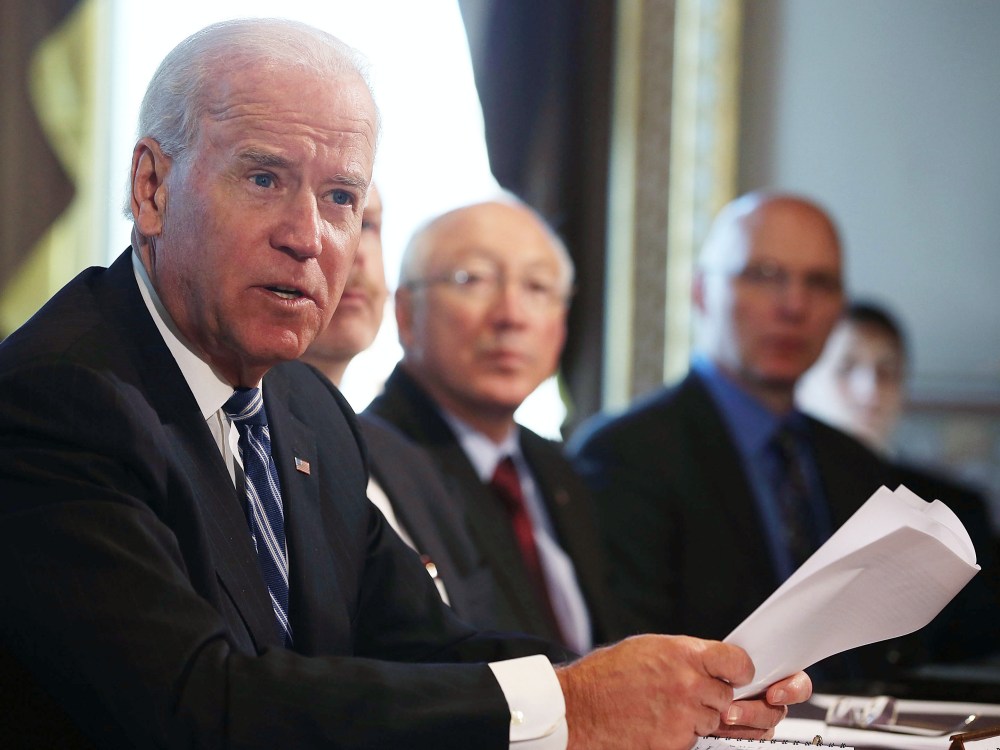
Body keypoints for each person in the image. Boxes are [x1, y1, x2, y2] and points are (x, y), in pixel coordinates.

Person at [0, 19, 810, 750]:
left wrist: (669, 685)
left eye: (342, 197)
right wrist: (575, 704)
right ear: (151, 188)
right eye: (264, 179)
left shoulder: (304, 407)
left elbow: (426, 645)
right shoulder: (59, 399)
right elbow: (196, 706)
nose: (308, 237)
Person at [569, 192, 899, 687]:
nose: (794, 305)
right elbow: (630, 661)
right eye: (765, 275)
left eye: (819, 283)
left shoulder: (854, 464)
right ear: (701, 291)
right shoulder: (625, 454)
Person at [366, 198, 617, 654]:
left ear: (561, 323)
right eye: (473, 280)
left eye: (538, 287)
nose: (511, 316)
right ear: (406, 314)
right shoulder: (368, 460)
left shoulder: (560, 471)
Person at [302, 184, 498, 626]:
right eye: (329, 215)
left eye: (366, 223)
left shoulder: (412, 463)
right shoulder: (235, 450)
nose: (354, 254)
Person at [796, 301, 1000, 664]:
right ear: (803, 384)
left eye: (887, 371)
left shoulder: (962, 508)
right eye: (846, 368)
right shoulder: (776, 505)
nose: (869, 391)